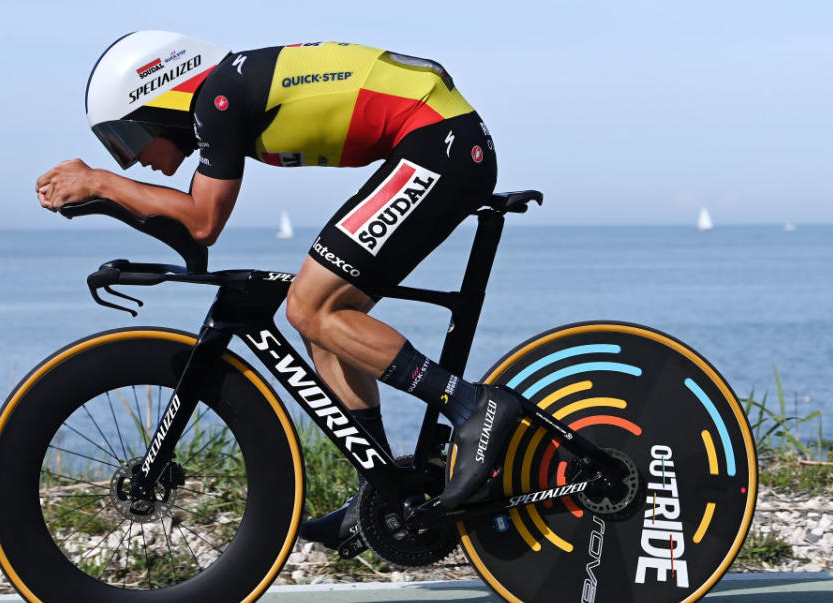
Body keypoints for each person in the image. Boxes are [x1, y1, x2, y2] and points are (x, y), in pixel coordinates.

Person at [35, 31, 523, 554]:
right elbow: (188, 231)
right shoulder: (229, 92)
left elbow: (201, 222)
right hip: (434, 143)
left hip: (439, 142)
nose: (132, 160)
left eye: (126, 140)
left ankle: (473, 406)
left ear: (158, 103)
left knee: (311, 306)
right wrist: (105, 198)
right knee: (323, 322)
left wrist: (103, 183)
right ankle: (381, 487)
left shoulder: (218, 98)